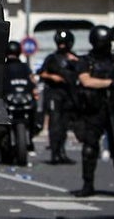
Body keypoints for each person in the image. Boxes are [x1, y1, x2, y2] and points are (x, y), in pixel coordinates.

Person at [70, 25, 114, 198]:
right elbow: (86, 81)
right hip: (94, 110)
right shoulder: (87, 61)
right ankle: (88, 185)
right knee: (90, 149)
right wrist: (110, 83)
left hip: (113, 109)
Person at [38, 29, 79, 165]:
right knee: (55, 124)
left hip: (68, 96)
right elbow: (42, 73)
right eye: (60, 43)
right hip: (54, 95)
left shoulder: (74, 58)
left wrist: (77, 61)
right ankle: (55, 153)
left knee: (64, 126)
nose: (62, 46)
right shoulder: (52, 58)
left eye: (64, 43)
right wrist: (53, 77)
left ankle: (61, 152)